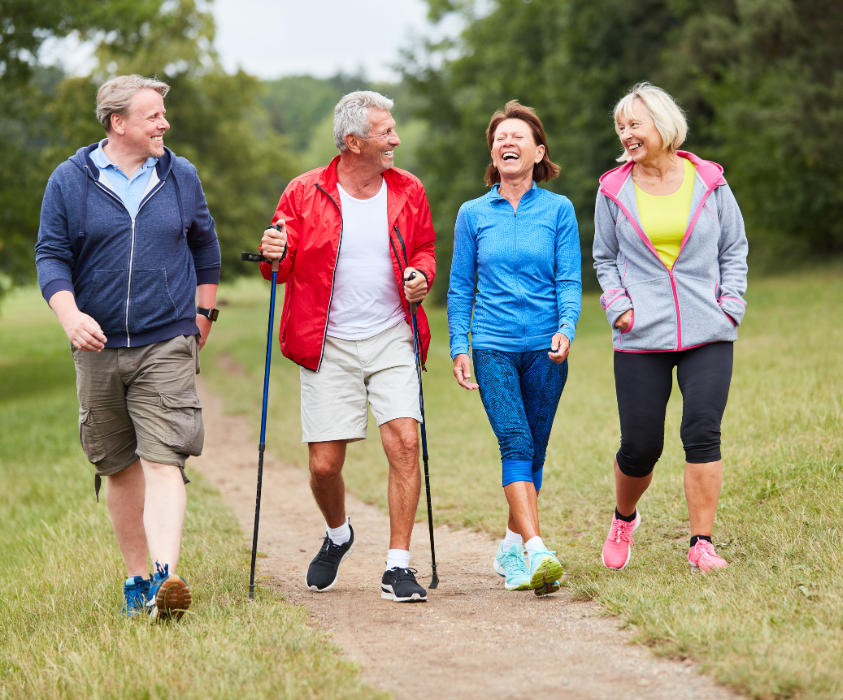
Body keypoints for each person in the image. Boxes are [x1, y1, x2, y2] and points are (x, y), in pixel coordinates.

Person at [35, 75, 221, 619]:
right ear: (118, 123)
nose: (165, 124)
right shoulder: (69, 181)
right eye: (154, 115)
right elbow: (51, 256)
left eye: (164, 115)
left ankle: (167, 577)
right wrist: (70, 316)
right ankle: (137, 580)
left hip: (166, 338)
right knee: (118, 465)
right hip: (97, 347)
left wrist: (202, 316)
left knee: (165, 459)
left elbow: (204, 245)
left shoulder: (179, 175)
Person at [258, 91, 436, 603]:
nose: (396, 139)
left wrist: (421, 276)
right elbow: (280, 267)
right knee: (324, 466)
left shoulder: (408, 190)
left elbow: (424, 247)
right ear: (353, 142)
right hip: (326, 342)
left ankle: (397, 565)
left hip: (390, 336)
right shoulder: (303, 192)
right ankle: (339, 534)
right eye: (386, 132)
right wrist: (275, 251)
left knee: (405, 440)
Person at [592, 82, 748, 573]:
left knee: (702, 431)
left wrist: (730, 305)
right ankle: (624, 518)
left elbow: (734, 248)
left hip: (708, 326)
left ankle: (701, 542)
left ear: (662, 124)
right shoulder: (612, 189)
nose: (626, 134)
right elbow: (604, 256)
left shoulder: (710, 181)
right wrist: (619, 306)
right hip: (641, 333)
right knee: (641, 446)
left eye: (634, 124)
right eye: (621, 127)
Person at [447, 100, 581, 596]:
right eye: (500, 137)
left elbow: (569, 278)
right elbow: (461, 287)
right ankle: (537, 549)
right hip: (493, 346)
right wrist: (459, 345)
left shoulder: (559, 210)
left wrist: (567, 326)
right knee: (515, 442)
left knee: (535, 451)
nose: (507, 142)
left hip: (547, 348)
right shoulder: (472, 213)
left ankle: (510, 546)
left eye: (518, 136)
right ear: (493, 152)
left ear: (538, 151)